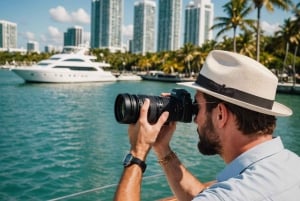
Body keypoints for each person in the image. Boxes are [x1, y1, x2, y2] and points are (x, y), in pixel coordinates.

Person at [114, 50, 300, 201]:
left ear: (220, 114)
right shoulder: (292, 163)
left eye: (197, 106)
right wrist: (162, 148)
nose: (195, 118)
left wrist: (138, 152)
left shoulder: (233, 194)